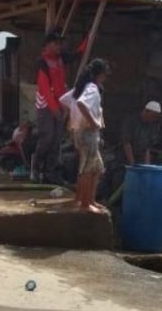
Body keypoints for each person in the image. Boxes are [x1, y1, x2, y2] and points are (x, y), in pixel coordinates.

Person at [71, 59, 110, 214]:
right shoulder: (92, 88)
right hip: (88, 133)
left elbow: (66, 101)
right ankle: (86, 204)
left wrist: (74, 121)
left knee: (97, 167)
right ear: (99, 75)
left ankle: (85, 199)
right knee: (88, 168)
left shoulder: (81, 87)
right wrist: (93, 121)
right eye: (104, 75)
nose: (105, 79)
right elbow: (81, 104)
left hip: (82, 132)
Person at [32, 32, 69, 183]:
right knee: (47, 137)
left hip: (60, 103)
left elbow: (78, 53)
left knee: (56, 141)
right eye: (55, 44)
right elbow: (45, 89)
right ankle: (36, 166)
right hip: (45, 105)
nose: (58, 47)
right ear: (47, 45)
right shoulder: (42, 62)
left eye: (60, 44)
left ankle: (50, 172)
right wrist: (55, 109)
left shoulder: (60, 60)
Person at [120, 101, 162, 166]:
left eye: (155, 117)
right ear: (146, 111)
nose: (153, 119)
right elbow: (126, 143)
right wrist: (132, 163)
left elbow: (147, 148)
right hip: (124, 158)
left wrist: (147, 166)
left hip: (140, 159)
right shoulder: (131, 121)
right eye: (153, 116)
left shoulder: (151, 125)